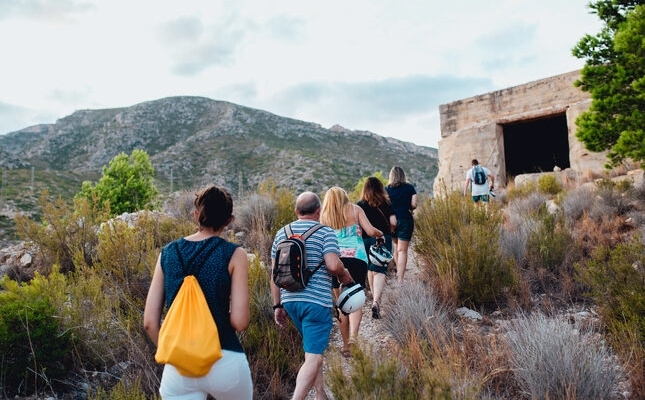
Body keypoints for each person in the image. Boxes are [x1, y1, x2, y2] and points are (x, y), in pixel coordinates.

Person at [143, 185, 253, 400]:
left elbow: (149, 322)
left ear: (196, 215)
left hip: (179, 369)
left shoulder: (168, 253)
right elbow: (240, 322)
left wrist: (179, 352)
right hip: (224, 357)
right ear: (229, 220)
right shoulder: (234, 254)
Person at [271, 191, 354, 400]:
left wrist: (277, 305)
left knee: (311, 351)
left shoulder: (282, 232)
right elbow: (333, 265)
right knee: (315, 356)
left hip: (290, 301)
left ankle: (320, 394)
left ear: (296, 211)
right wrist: (345, 275)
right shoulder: (325, 232)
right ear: (318, 211)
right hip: (316, 302)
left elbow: (274, 274)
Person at [319, 186, 384, 358]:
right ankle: (354, 337)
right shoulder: (355, 210)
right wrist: (380, 234)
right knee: (355, 298)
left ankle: (346, 346)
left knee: (341, 303)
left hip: (335, 261)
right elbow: (370, 231)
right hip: (357, 259)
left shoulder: (325, 216)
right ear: (344, 196)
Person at [357, 177, 397, 319]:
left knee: (370, 268)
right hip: (382, 239)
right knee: (379, 270)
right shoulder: (386, 203)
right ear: (380, 188)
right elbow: (393, 221)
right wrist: (390, 230)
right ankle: (376, 302)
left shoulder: (360, 205)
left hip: (365, 241)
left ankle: (374, 299)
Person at [385, 166, 417, 284]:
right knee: (402, 250)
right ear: (403, 175)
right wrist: (408, 206)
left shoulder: (386, 189)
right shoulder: (409, 188)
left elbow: (384, 206)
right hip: (405, 219)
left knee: (396, 246)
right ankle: (400, 279)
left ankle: (399, 273)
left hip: (391, 221)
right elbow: (414, 204)